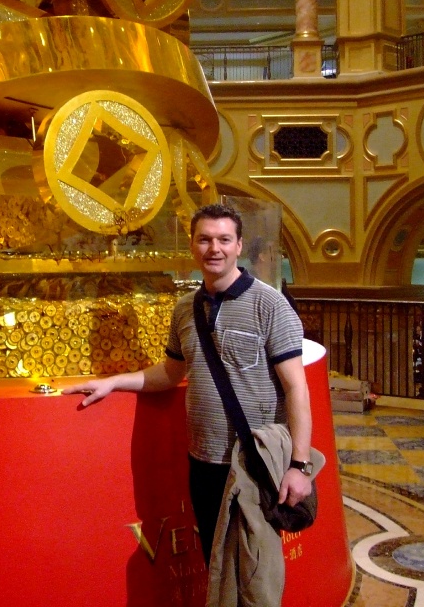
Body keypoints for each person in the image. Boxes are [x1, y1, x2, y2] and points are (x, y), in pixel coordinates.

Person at [63, 203, 313, 589]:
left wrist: (299, 465)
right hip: (204, 461)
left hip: (254, 460)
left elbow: (296, 388)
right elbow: (170, 372)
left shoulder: (270, 304)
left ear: (238, 245)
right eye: (205, 239)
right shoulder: (185, 310)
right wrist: (113, 382)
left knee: (256, 572)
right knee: (217, 563)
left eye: (224, 239)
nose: (214, 248)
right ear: (193, 246)